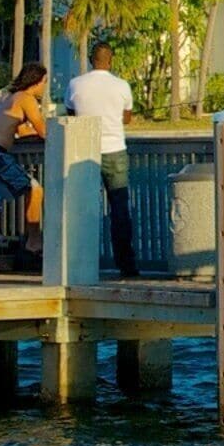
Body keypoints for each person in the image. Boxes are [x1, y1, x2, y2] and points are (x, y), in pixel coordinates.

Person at [69, 45, 139, 277]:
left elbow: (72, 116)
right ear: (111, 61)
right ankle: (126, 265)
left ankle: (78, 263)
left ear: (91, 60)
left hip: (83, 152)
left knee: (82, 207)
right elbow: (126, 119)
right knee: (119, 208)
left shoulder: (76, 84)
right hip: (114, 150)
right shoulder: (121, 85)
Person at [0, 61, 49, 270]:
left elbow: (21, 132)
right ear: (36, 82)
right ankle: (33, 242)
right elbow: (44, 131)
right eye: (44, 82)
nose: (44, 87)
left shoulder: (11, 97)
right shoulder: (26, 98)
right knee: (35, 189)